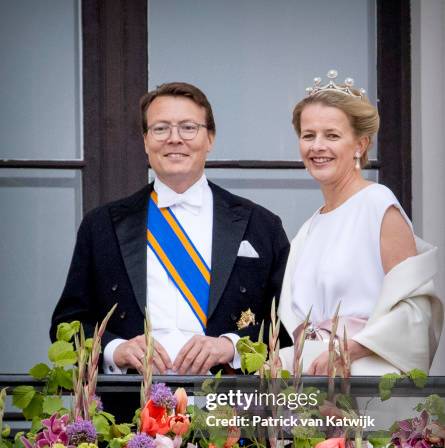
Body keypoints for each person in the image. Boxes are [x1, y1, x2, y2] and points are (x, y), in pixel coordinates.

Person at [51, 82, 290, 374]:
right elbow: (66, 326)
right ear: (145, 140)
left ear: (210, 138)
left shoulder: (260, 225)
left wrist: (231, 346)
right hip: (128, 408)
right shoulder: (101, 226)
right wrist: (116, 350)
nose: (174, 139)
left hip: (229, 407)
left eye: (188, 127)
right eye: (161, 128)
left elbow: (289, 325)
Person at [278, 71, 443, 375]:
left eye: (332, 135)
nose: (317, 146)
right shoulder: (309, 227)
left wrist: (348, 350)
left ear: (360, 145)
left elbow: (414, 310)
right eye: (308, 135)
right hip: (310, 387)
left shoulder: (377, 205)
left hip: (362, 379)